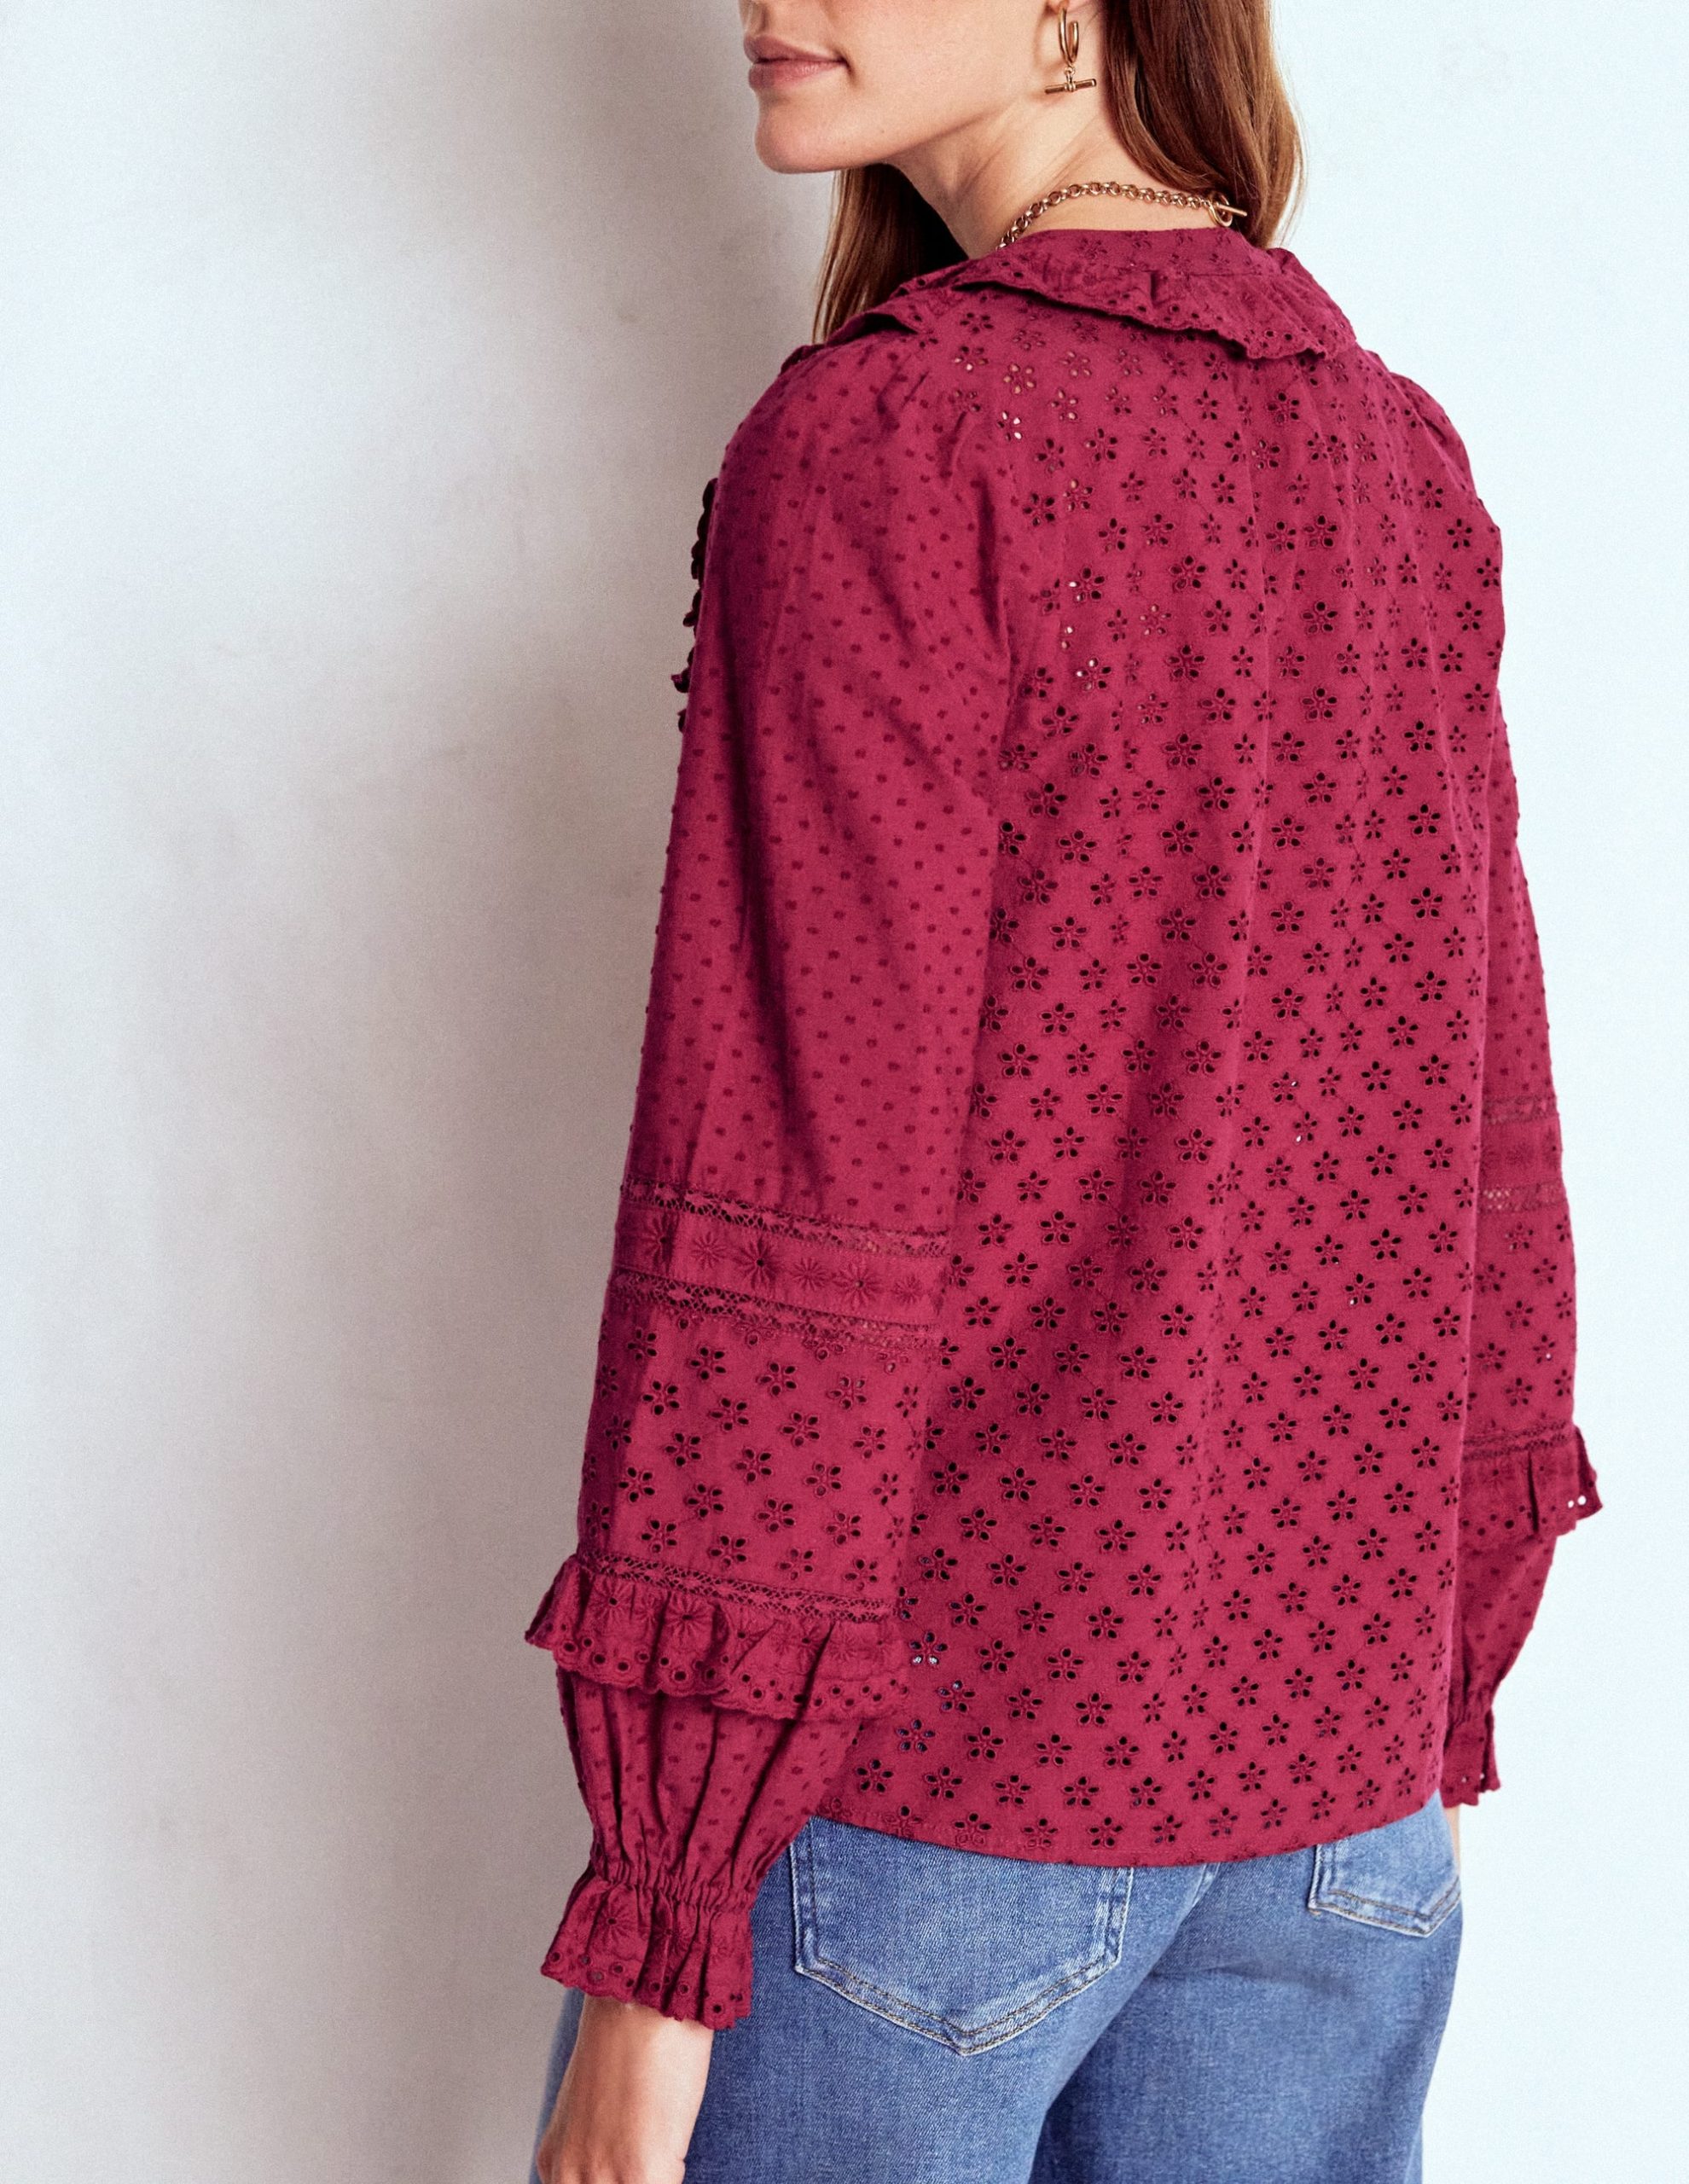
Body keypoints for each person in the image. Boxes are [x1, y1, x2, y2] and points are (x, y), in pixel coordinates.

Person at [522, 4, 1601, 2179]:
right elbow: (1492, 1158)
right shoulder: (1398, 457)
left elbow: (793, 1219)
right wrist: (1429, 1680)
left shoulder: (900, 446)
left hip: (936, 1810)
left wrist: (661, 1924)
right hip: (1345, 1821)